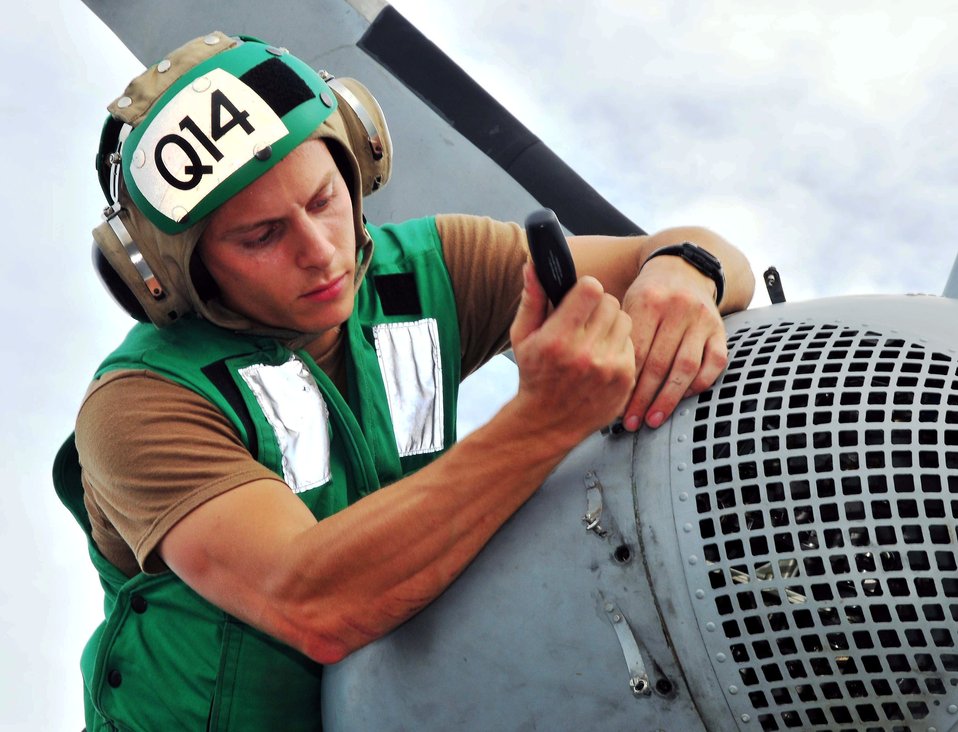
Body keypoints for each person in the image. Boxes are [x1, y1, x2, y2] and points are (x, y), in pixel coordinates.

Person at [54, 31, 755, 730]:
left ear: (360, 160)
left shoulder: (429, 270)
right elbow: (315, 603)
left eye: (324, 198)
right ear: (169, 279)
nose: (319, 250)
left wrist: (684, 273)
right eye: (261, 236)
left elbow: (686, 253)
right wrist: (546, 420)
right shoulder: (140, 404)